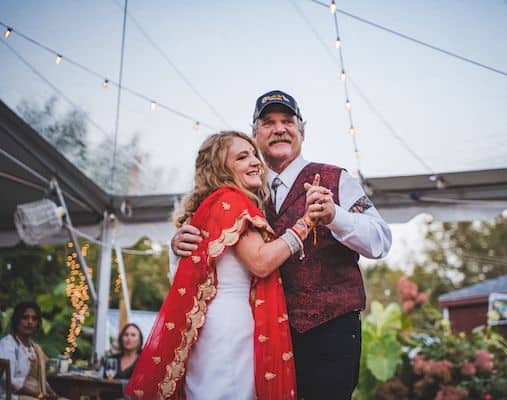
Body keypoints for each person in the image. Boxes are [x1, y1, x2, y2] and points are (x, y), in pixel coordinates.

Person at [172, 90, 392, 399]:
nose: (279, 128)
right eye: (268, 122)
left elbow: (380, 240)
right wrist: (181, 241)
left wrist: (335, 215)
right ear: (255, 134)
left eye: (288, 121)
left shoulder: (336, 179)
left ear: (302, 130)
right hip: (262, 337)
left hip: (330, 332)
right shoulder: (242, 192)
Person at [126, 131, 323, 400]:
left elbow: (180, 278)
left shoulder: (211, 207)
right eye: (243, 157)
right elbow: (261, 262)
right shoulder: (231, 201)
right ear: (221, 168)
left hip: (210, 325)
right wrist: (304, 224)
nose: (256, 162)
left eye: (254, 154)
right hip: (231, 330)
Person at [0, 301, 59, 400]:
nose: (30, 322)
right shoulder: (7, 345)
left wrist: (51, 393)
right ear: (16, 320)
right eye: (25, 317)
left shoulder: (35, 349)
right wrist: (37, 394)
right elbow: (8, 380)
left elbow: (40, 379)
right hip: (10, 396)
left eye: (34, 318)